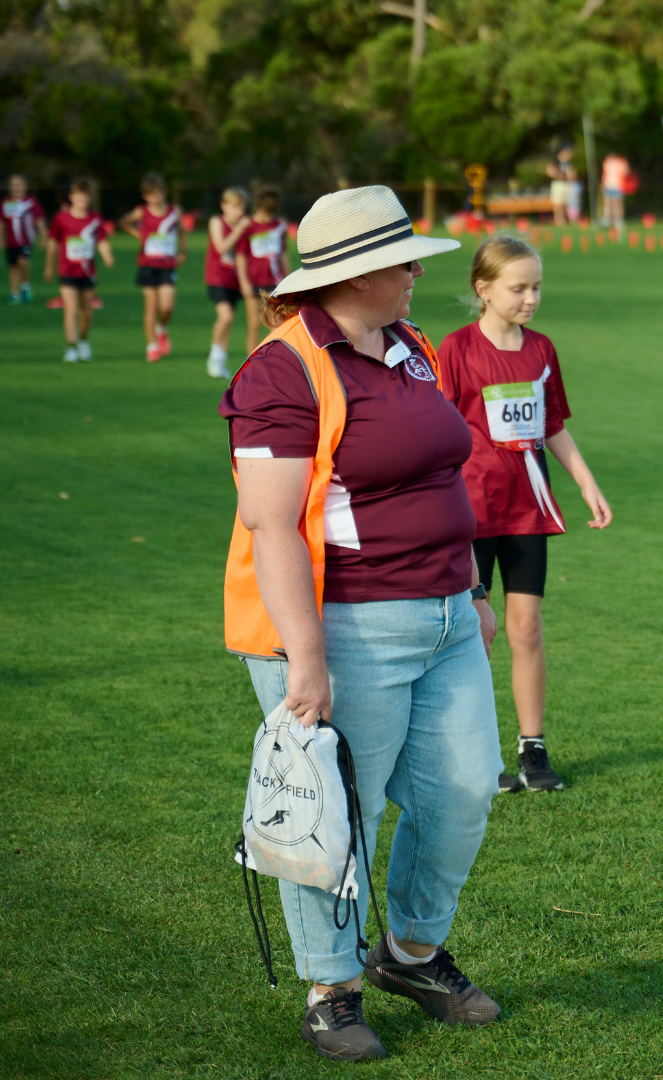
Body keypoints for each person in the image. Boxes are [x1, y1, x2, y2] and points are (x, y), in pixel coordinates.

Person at [219, 185, 504, 1062]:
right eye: (404, 261)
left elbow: (439, 473)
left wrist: (472, 593)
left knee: (463, 788)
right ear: (356, 275)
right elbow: (271, 523)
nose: (420, 271)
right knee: (334, 819)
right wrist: (306, 657)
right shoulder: (280, 369)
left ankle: (410, 955)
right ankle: (330, 988)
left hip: (447, 613)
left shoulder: (408, 346)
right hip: (346, 626)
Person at [439, 235, 612, 793]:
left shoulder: (541, 350)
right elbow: (437, 431)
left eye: (536, 286)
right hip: (469, 512)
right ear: (483, 289)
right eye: (519, 288)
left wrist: (586, 484)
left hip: (525, 512)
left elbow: (552, 424)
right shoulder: (456, 350)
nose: (531, 298)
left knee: (526, 628)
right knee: (473, 632)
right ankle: (474, 753)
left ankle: (532, 749)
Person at [44, 178, 114, 362]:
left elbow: (101, 240)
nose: (83, 202)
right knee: (71, 310)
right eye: (79, 198)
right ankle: (71, 346)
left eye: (86, 198)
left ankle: (83, 341)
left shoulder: (94, 219)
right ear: (72, 197)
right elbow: (53, 242)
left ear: (90, 199)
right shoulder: (61, 219)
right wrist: (48, 266)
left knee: (87, 313)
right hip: (67, 271)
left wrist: (107, 256)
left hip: (88, 273)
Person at [120, 173, 186, 362]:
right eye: (151, 194)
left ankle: (162, 328)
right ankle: (152, 346)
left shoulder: (174, 211)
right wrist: (140, 235)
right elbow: (124, 222)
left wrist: (183, 252)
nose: (156, 197)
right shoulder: (142, 212)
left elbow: (181, 232)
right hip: (148, 265)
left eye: (159, 193)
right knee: (151, 306)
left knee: (167, 306)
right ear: (145, 196)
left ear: (164, 193)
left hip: (167, 265)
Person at [236, 187, 290, 356]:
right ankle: (251, 359)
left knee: (275, 323)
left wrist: (288, 279)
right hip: (254, 280)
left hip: (274, 281)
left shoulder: (279, 226)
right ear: (257, 208)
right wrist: (244, 282)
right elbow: (241, 256)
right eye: (264, 213)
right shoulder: (249, 226)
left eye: (270, 213)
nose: (267, 217)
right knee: (254, 323)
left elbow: (282, 254)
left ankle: (271, 358)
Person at [204, 187, 250, 379]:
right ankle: (214, 356)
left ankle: (221, 359)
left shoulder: (245, 226)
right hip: (217, 276)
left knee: (229, 320)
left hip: (235, 279)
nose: (239, 212)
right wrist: (240, 229)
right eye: (235, 207)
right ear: (224, 206)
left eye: (242, 208)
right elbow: (221, 246)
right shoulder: (216, 222)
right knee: (226, 317)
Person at [0, 174, 46, 305]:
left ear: (25, 186)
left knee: (22, 261)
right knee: (13, 267)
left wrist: (43, 236)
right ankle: (14, 294)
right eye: (13, 185)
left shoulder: (30, 202)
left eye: (18, 184)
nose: (15, 187)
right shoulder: (6, 202)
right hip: (11, 241)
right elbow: (0, 221)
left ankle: (26, 286)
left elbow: (39, 219)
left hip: (26, 241)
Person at [545, 146, 577, 227]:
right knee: (557, 204)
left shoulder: (570, 164)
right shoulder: (555, 163)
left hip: (566, 184)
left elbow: (573, 174)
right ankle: (558, 220)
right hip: (558, 184)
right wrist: (559, 175)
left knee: (565, 204)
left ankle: (564, 220)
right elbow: (550, 171)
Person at [600, 152, 629, 229]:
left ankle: (618, 220)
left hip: (619, 186)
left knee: (618, 204)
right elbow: (604, 173)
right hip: (608, 185)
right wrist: (603, 184)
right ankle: (607, 219)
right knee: (608, 203)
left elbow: (625, 173)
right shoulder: (607, 162)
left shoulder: (622, 162)